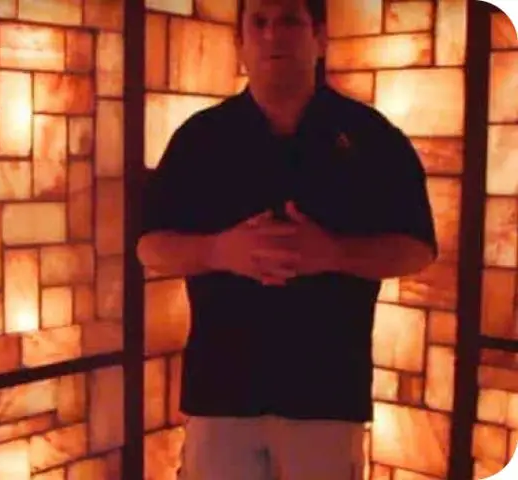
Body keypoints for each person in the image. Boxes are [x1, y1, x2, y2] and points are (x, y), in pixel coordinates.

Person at [136, 0, 439, 478]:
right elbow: (149, 245)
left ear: (319, 37)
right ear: (240, 44)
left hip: (327, 397)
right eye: (259, 22)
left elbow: (418, 247)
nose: (274, 34)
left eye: (290, 20)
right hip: (221, 397)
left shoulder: (372, 138)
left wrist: (333, 253)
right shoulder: (200, 138)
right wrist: (219, 251)